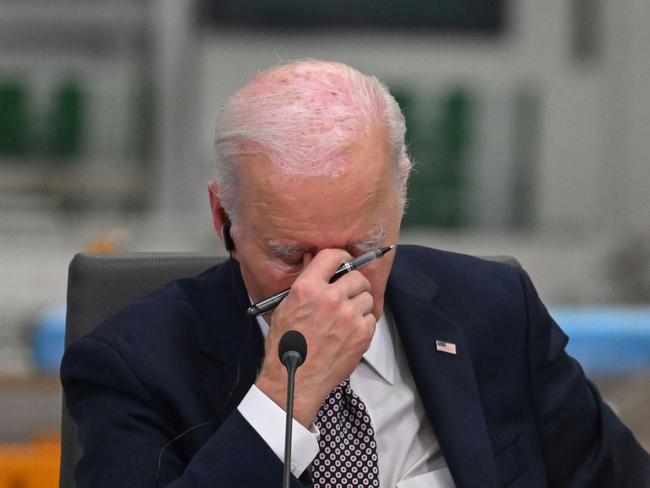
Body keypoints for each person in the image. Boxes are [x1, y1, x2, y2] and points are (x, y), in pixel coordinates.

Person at [61, 60, 649, 487]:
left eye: (366, 250)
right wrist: (283, 401)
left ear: (402, 197)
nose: (331, 284)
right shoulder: (131, 363)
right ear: (224, 219)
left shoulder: (495, 309)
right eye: (291, 255)